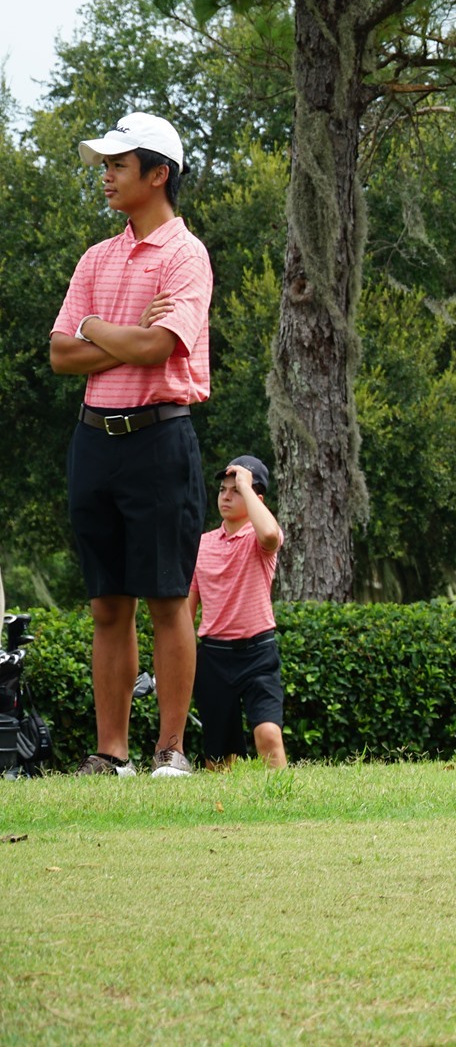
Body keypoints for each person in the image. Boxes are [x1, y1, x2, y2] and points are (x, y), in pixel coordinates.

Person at [48, 112, 213, 779]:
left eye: (119, 165)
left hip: (159, 439)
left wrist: (94, 329)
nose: (107, 176)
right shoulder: (97, 257)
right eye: (107, 166)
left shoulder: (185, 255)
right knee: (107, 604)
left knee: (168, 599)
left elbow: (158, 346)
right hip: (94, 442)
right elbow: (62, 354)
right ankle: (112, 753)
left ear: (158, 174)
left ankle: (170, 751)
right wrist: (111, 330)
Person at [191, 456, 287, 769]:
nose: (226, 496)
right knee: (218, 757)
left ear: (256, 498)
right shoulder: (202, 545)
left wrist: (247, 486)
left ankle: (284, 797)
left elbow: (270, 534)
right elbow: (185, 613)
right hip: (214, 658)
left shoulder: (261, 540)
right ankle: (223, 803)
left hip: (258, 653)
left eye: (237, 490)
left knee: (268, 735)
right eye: (223, 490)